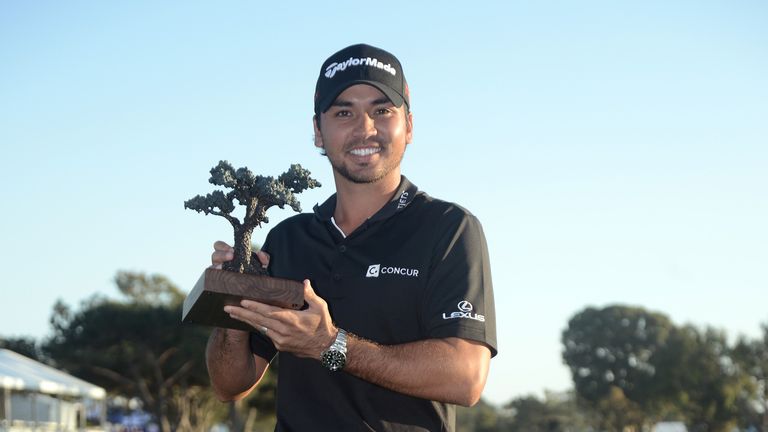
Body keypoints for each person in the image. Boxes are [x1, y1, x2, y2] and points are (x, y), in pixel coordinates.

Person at [205, 43, 497, 431]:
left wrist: (329, 345)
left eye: (382, 111)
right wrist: (233, 300)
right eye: (344, 112)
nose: (365, 128)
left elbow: (465, 377)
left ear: (408, 126)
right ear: (318, 132)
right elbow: (230, 385)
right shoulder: (288, 238)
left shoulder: (448, 228)